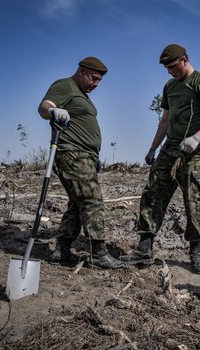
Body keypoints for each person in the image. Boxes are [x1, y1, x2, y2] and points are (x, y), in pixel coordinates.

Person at [120, 44, 200, 274]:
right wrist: (153, 148)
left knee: (194, 202)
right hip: (169, 149)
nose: (170, 72)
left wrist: (196, 138)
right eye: (166, 68)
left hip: (193, 153)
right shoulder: (169, 86)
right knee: (152, 194)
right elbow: (165, 120)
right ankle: (144, 248)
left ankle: (195, 253)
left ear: (185, 59)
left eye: (172, 66)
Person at [38, 56, 123, 269]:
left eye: (100, 80)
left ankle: (62, 250)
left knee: (77, 203)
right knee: (92, 200)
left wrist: (93, 156)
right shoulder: (65, 85)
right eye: (94, 78)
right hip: (71, 153)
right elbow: (44, 106)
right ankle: (98, 252)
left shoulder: (82, 95)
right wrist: (52, 110)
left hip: (84, 156)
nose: (96, 84)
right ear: (81, 71)